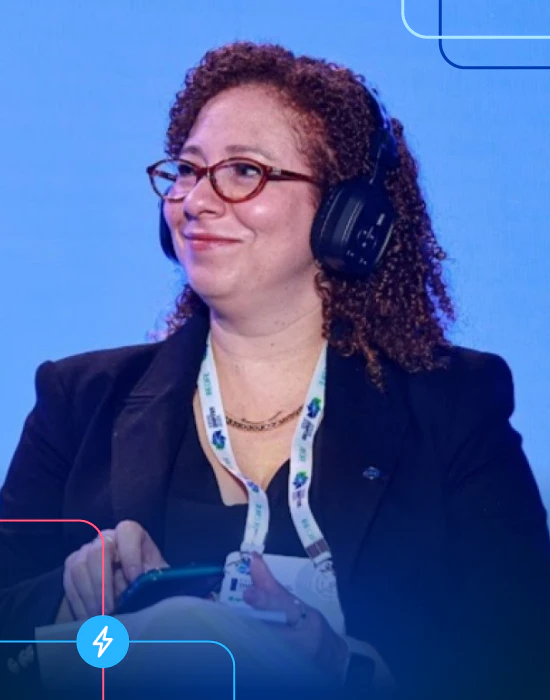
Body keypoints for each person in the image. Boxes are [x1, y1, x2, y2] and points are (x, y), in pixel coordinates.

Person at [1, 40, 550, 700]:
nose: (196, 201)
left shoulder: (453, 403)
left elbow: (520, 658)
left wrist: (343, 667)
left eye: (243, 171)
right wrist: (72, 594)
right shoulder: (79, 399)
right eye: (188, 170)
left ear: (347, 216)